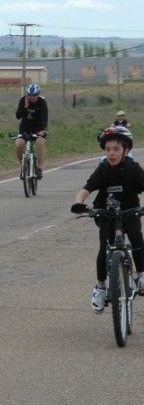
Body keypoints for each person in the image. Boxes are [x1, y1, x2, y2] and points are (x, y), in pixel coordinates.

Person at [71, 126, 144, 313]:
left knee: (136, 237)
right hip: (106, 213)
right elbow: (86, 189)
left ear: (126, 150)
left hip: (130, 211)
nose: (111, 153)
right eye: (107, 149)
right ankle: (101, 288)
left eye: (116, 149)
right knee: (105, 247)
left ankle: (141, 276)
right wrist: (79, 203)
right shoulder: (102, 169)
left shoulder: (134, 169)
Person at [14, 83, 48, 179]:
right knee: (18, 144)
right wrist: (25, 107)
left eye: (34, 95)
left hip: (38, 128)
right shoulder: (23, 100)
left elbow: (44, 118)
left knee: (40, 142)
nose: (32, 97)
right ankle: (22, 166)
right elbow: (18, 116)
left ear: (38, 94)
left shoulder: (42, 102)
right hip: (25, 127)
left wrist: (43, 130)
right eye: (30, 95)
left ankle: (39, 168)